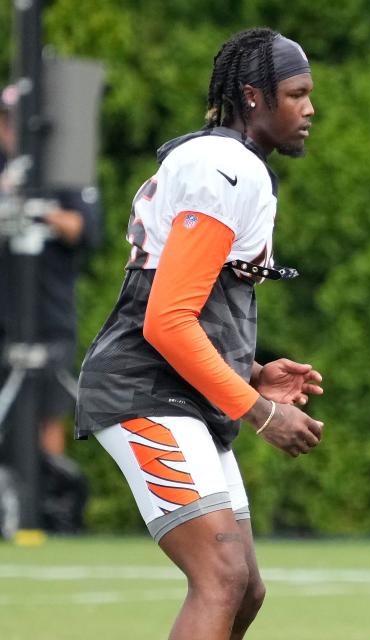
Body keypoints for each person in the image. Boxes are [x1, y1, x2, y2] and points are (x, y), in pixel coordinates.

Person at [75, 28, 324, 639]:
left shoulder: (231, 165)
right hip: (145, 389)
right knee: (221, 575)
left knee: (244, 590)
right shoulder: (224, 167)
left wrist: (251, 371)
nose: (310, 108)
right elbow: (165, 321)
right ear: (253, 97)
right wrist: (261, 411)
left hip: (182, 392)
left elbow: (192, 303)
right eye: (296, 94)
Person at [0, 84, 101, 533]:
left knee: (48, 411)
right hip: (5, 313)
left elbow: (82, 227)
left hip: (48, 313)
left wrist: (35, 211)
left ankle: (47, 510)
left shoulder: (62, 172)